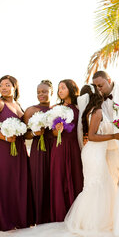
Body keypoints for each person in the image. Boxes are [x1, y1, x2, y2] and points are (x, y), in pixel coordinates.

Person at [65, 84, 119, 235]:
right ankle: (94, 223)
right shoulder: (97, 111)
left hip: (92, 152)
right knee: (96, 186)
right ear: (95, 95)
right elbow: (91, 136)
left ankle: (89, 221)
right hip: (94, 153)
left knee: (96, 185)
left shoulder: (89, 111)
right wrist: (114, 136)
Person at [0, 75, 34, 232]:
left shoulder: (19, 106)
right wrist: (4, 137)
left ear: (15, 87)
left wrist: (37, 132)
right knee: (2, 182)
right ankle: (2, 221)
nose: (4, 88)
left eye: (7, 85)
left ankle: (18, 218)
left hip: (18, 149)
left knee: (17, 182)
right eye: (1, 85)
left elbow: (25, 133)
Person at [49, 79, 84, 222]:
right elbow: (53, 133)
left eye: (63, 88)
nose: (60, 91)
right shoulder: (56, 108)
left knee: (75, 176)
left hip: (74, 146)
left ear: (71, 88)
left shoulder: (79, 107)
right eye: (59, 89)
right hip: (59, 146)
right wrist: (58, 130)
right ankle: (60, 214)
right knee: (59, 177)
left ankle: (75, 214)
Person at [23, 80, 54, 224]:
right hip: (39, 149)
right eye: (38, 92)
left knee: (54, 180)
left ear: (51, 92)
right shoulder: (31, 110)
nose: (41, 94)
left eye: (44, 92)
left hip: (55, 147)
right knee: (38, 179)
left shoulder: (57, 109)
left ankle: (55, 215)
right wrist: (35, 133)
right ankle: (39, 218)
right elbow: (23, 134)